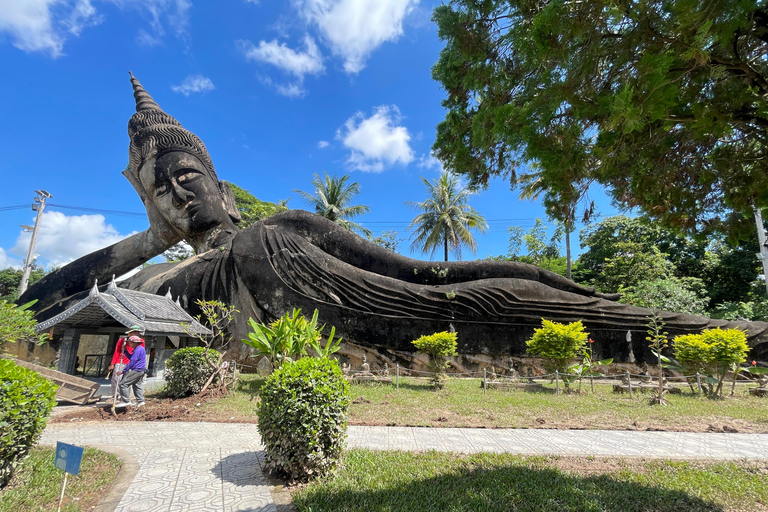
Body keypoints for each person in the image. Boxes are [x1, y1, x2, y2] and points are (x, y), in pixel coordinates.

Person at [19, 74, 768, 364]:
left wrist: (538, 272)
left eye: (188, 181)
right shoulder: (155, 273)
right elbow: (34, 310)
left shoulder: (272, 228)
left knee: (446, 288)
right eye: (163, 193)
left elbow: (427, 274)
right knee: (443, 302)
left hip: (272, 248)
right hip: (240, 271)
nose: (181, 200)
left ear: (216, 182)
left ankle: (654, 322)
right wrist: (153, 236)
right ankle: (687, 333)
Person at [108, 326, 145, 403]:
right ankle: (115, 395)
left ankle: (125, 398)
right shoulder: (122, 340)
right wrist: (113, 363)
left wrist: (124, 370)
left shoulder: (140, 344)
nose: (137, 334)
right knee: (116, 379)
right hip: (121, 361)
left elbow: (135, 358)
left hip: (132, 365)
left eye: (138, 332)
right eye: (134, 332)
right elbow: (117, 352)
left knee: (126, 382)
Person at [116, 335, 147, 408]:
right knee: (136, 385)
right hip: (141, 370)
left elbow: (132, 361)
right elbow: (131, 358)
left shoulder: (138, 349)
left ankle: (126, 401)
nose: (129, 344)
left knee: (123, 384)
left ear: (134, 342)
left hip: (137, 370)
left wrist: (123, 371)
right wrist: (126, 351)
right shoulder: (139, 349)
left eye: (129, 343)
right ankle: (141, 401)